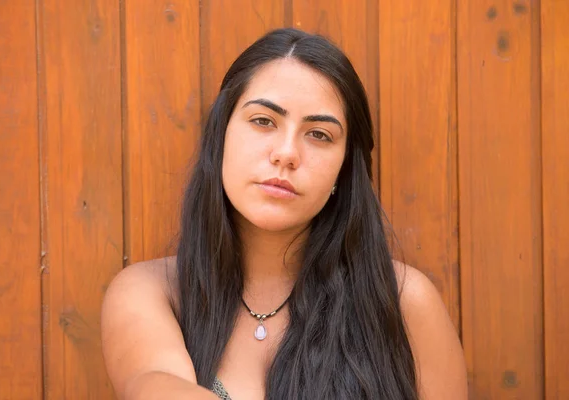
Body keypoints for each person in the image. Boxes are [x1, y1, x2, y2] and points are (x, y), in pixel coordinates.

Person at [101, 28, 467, 400]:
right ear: (221, 136)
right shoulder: (153, 292)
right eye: (263, 121)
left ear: (344, 170)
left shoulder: (404, 302)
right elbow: (155, 382)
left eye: (319, 134)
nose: (287, 152)